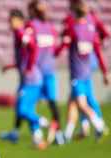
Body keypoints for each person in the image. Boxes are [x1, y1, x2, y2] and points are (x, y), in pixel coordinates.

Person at [55, 0, 110, 142]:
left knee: (82, 104)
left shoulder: (73, 28)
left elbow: (64, 46)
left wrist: (53, 52)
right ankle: (67, 135)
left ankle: (99, 125)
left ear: (73, 12)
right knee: (72, 102)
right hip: (87, 73)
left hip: (77, 74)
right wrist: (105, 72)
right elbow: (98, 52)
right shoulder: (91, 29)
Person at [0, 9, 47, 150]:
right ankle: (37, 139)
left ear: (19, 20)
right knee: (27, 109)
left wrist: (29, 68)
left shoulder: (21, 32)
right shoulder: (18, 33)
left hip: (31, 80)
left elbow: (34, 48)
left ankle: (45, 122)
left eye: (11, 19)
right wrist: (11, 66)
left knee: (22, 110)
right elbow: (24, 57)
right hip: (28, 80)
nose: (9, 22)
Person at [27, 0, 64, 145]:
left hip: (46, 72)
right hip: (37, 74)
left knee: (51, 103)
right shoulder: (32, 26)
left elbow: (54, 51)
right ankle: (37, 134)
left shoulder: (48, 27)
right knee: (33, 104)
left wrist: (63, 45)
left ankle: (57, 133)